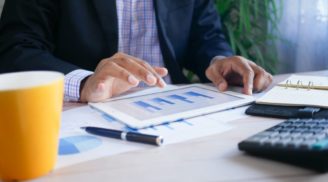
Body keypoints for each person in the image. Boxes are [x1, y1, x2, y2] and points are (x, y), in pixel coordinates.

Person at [0, 0, 272, 102]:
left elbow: (205, 35)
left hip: (174, 109)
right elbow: (15, 49)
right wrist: (84, 82)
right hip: (83, 112)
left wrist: (220, 60)